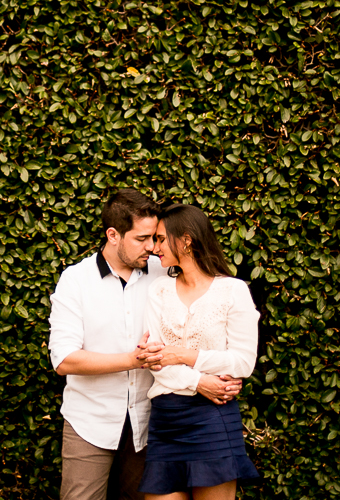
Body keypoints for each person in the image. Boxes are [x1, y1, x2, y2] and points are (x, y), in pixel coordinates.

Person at [47, 189, 167, 500]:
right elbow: (64, 360)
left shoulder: (163, 272)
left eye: (154, 237)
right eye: (142, 238)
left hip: (149, 423)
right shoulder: (76, 280)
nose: (152, 247)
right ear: (113, 235)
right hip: (90, 423)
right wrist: (132, 360)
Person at [139, 202, 260, 500]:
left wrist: (183, 355)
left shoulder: (232, 291)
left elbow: (242, 362)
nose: (155, 248)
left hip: (213, 418)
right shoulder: (158, 290)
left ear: (186, 240)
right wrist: (199, 381)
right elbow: (156, 359)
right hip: (166, 420)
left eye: (161, 239)